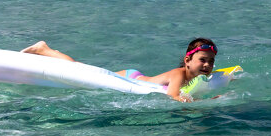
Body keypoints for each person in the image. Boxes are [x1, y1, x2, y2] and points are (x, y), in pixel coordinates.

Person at [20, 38, 218, 102]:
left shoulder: (196, 75)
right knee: (78, 70)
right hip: (130, 78)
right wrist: (202, 102)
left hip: (137, 77)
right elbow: (173, 96)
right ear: (187, 60)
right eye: (203, 60)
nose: (207, 65)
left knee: (80, 69)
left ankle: (47, 50)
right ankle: (43, 49)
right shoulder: (179, 74)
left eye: (211, 61)